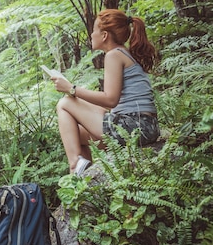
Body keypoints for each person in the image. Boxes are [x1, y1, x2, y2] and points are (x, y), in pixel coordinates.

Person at [51, 9, 160, 176]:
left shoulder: (114, 55)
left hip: (135, 126)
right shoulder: (123, 53)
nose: (91, 35)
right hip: (144, 126)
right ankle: (82, 176)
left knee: (65, 103)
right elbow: (111, 102)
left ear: (104, 35)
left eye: (94, 30)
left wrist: (71, 89)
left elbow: (110, 100)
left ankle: (74, 165)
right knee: (75, 134)